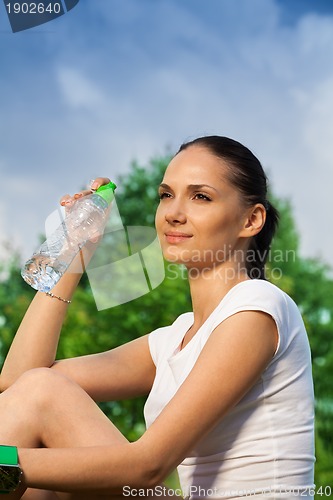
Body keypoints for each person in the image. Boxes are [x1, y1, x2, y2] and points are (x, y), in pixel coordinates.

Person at [0, 136, 315, 500]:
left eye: (201, 197)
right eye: (166, 195)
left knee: (34, 447)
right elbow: (21, 383)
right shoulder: (175, 338)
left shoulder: (257, 307)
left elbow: (149, 466)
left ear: (251, 219)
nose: (173, 213)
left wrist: (6, 461)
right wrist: (75, 249)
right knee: (40, 395)